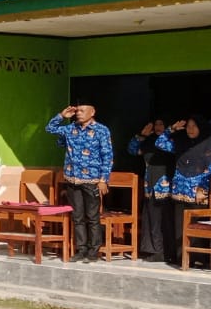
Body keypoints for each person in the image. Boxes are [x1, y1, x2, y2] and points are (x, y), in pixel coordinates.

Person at [46, 101, 112, 263]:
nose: (78, 113)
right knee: (77, 217)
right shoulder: (70, 129)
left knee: (92, 217)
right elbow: (50, 129)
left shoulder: (101, 130)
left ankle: (93, 251)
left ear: (92, 112)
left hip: (92, 179)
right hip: (72, 179)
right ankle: (81, 250)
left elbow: (107, 155)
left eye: (82, 111)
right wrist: (62, 116)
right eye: (77, 111)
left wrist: (104, 179)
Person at [156, 115, 211, 266]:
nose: (190, 129)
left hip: (197, 193)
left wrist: (203, 189)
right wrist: (171, 130)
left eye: (194, 126)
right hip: (180, 191)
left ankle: (199, 258)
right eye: (188, 126)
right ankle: (183, 258)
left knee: (197, 225)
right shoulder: (181, 143)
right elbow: (159, 143)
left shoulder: (208, 145)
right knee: (180, 226)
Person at [127, 119, 173, 261]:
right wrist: (141, 136)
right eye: (156, 124)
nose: (158, 127)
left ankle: (164, 251)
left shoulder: (170, 141)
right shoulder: (149, 141)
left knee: (163, 218)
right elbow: (132, 150)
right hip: (150, 182)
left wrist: (168, 133)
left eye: (161, 124)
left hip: (165, 182)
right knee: (151, 217)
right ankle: (153, 249)